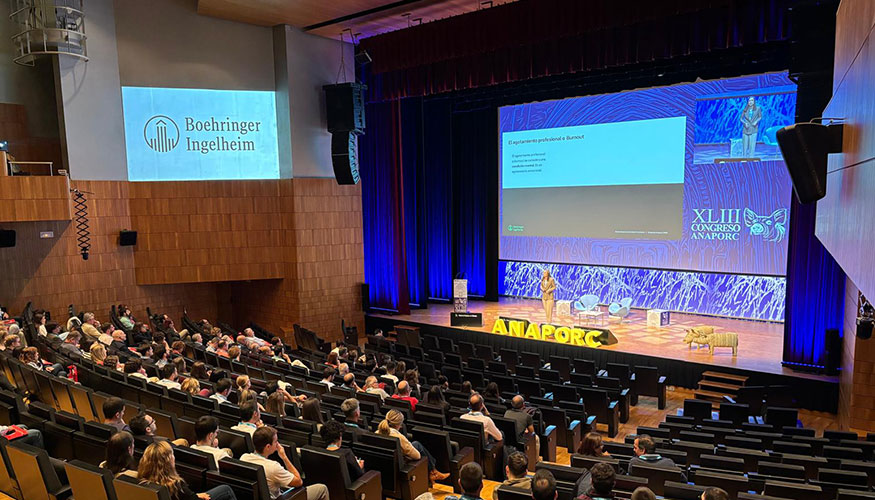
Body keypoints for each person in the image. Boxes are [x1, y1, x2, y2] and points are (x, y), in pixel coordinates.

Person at [241, 426, 329, 500]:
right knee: (322, 488)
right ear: (268, 446)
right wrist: (284, 457)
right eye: (276, 442)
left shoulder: (244, 457)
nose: (278, 444)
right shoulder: (273, 467)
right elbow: (299, 482)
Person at [139, 440, 237, 500]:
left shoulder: (143, 480)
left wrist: (196, 496)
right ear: (167, 461)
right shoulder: (175, 485)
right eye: (172, 454)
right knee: (226, 490)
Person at [377, 409, 449, 482]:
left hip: (384, 465)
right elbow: (417, 456)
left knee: (416, 444)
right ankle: (434, 472)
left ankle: (433, 472)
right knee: (417, 445)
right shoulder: (399, 437)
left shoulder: (377, 432)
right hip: (399, 465)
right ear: (399, 424)